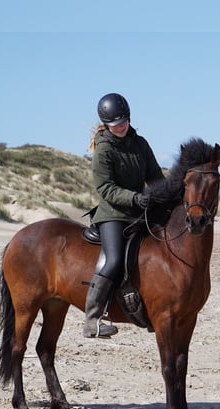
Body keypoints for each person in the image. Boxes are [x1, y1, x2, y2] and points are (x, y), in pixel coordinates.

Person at [83, 92, 165, 338]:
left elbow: (155, 176)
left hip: (139, 211)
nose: (120, 127)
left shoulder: (140, 144)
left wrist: (166, 195)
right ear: (106, 125)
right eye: (115, 124)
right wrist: (134, 198)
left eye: (124, 122)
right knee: (115, 260)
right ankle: (92, 319)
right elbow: (105, 188)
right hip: (113, 214)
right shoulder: (104, 149)